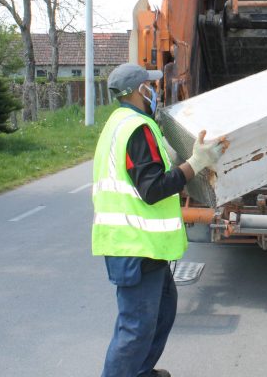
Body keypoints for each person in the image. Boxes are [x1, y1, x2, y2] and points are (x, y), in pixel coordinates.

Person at [92, 63, 229, 377]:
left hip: (140, 246)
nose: (155, 89)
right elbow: (152, 189)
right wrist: (196, 163)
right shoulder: (136, 129)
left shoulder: (122, 122)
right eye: (150, 85)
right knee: (136, 327)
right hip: (135, 247)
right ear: (140, 90)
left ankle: (140, 372)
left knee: (163, 309)